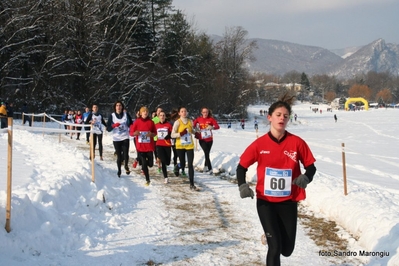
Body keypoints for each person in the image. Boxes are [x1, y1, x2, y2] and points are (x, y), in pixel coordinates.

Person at [236, 94, 316, 266]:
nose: (282, 118)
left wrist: (306, 177)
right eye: (278, 115)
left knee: (287, 250)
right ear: (270, 117)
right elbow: (241, 167)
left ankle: (270, 234)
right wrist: (243, 185)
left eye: (285, 116)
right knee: (275, 248)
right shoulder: (260, 144)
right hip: (266, 202)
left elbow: (311, 167)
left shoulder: (297, 143)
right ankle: (271, 236)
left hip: (288, 201)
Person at [171, 106, 197, 190]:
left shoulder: (190, 121)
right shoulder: (177, 122)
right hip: (180, 146)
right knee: (182, 164)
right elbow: (172, 134)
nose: (184, 113)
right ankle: (177, 166)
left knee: (190, 165)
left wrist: (197, 134)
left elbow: (192, 130)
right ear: (179, 113)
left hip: (189, 145)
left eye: (185, 111)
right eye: (182, 111)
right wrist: (180, 134)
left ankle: (192, 184)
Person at [130, 106, 157, 186]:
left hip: (149, 146)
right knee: (144, 164)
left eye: (146, 111)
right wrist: (135, 133)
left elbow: (155, 132)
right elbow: (131, 132)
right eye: (143, 111)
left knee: (150, 164)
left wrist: (151, 134)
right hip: (141, 146)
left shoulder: (151, 122)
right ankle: (147, 179)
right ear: (141, 113)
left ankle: (140, 162)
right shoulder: (137, 122)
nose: (145, 113)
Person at [106, 101, 133, 177]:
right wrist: (113, 125)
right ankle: (119, 170)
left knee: (125, 153)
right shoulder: (112, 116)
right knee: (119, 156)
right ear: (115, 107)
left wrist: (131, 128)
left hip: (125, 137)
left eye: (120, 105)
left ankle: (126, 166)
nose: (118, 107)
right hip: (116, 138)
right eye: (117, 105)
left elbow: (131, 123)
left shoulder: (126, 114)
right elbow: (108, 128)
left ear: (122, 107)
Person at [193, 107, 220, 174]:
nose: (205, 113)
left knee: (207, 153)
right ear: (201, 113)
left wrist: (212, 127)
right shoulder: (199, 119)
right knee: (206, 152)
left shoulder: (211, 119)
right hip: (202, 139)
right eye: (204, 112)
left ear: (208, 112)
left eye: (206, 112)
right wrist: (196, 129)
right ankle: (210, 169)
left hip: (209, 139)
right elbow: (193, 125)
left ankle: (205, 167)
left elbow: (217, 126)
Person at [154, 111, 173, 184]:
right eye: (160, 115)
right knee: (164, 162)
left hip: (167, 145)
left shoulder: (168, 125)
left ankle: (161, 161)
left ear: (165, 117)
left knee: (168, 162)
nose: (162, 117)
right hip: (159, 145)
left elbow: (172, 133)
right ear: (158, 117)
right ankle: (166, 177)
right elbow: (153, 133)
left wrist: (169, 135)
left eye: (163, 115)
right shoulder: (156, 125)